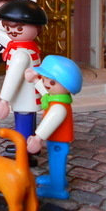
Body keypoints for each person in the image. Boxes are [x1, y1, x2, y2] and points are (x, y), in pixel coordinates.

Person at [25, 55, 83, 199]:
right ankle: (57, 180)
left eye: (51, 82)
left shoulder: (59, 106)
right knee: (54, 161)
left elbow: (49, 123)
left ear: (67, 86)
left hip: (59, 141)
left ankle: (57, 189)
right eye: (45, 79)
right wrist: (35, 80)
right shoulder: (55, 97)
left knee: (57, 161)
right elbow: (45, 91)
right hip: (55, 139)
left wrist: (37, 138)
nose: (46, 83)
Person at [0, 0, 47, 143]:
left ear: (37, 28)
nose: (13, 32)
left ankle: (24, 148)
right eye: (8, 27)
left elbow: (12, 77)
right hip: (27, 94)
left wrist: (4, 100)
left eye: (19, 28)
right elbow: (8, 40)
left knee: (23, 121)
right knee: (25, 119)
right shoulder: (26, 47)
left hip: (24, 95)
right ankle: (26, 144)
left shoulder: (21, 55)